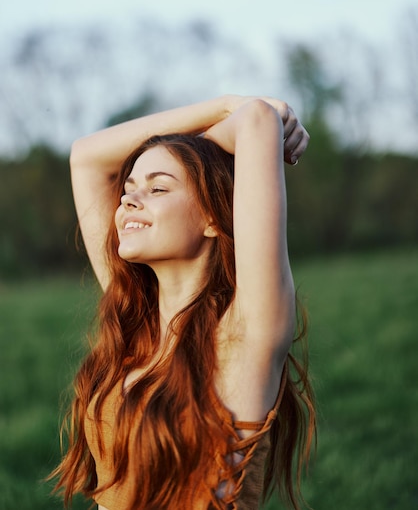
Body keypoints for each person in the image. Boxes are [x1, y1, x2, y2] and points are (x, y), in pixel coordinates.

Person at [51, 95, 316, 510]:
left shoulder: (243, 342)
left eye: (158, 187)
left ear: (213, 217)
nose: (128, 201)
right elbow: (87, 157)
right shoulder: (136, 324)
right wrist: (224, 109)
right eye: (129, 189)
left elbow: (258, 121)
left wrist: (205, 148)